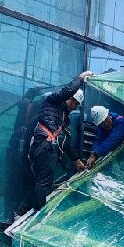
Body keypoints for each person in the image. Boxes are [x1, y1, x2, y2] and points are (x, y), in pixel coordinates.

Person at [24, 71, 92, 211]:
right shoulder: (52, 101)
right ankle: (38, 213)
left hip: (48, 147)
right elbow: (67, 91)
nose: (74, 104)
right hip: (44, 144)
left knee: (42, 181)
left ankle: (22, 211)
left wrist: (76, 160)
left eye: (76, 103)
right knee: (43, 182)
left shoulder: (64, 119)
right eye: (72, 100)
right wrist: (81, 77)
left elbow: (66, 141)